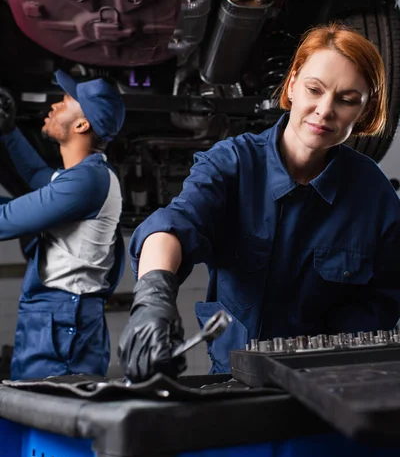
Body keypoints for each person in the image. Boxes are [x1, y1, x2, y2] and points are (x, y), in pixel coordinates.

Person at [118, 22, 400, 382]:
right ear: (292, 83)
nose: (325, 110)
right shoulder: (232, 163)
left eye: (347, 99)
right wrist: (152, 301)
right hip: (233, 376)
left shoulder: (374, 196)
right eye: (315, 89)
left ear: (364, 109)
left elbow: (385, 296)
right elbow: (175, 224)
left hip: (328, 385)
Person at [0, 70, 126, 380]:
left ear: (82, 125)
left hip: (62, 320)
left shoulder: (87, 181)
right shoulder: (82, 175)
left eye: (66, 101)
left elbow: (5, 221)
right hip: (60, 317)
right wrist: (8, 130)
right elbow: (35, 175)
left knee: (49, 415)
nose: (54, 106)